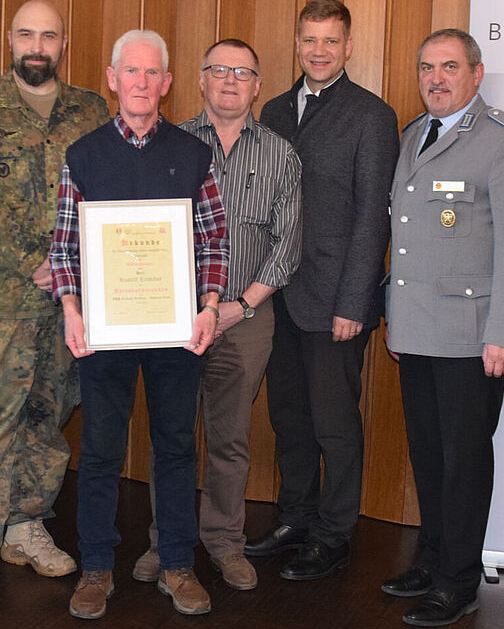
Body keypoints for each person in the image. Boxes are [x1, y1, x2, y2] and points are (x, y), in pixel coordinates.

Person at [50, 30, 228, 619]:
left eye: (153, 73)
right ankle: (96, 568)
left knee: (175, 448)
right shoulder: (83, 154)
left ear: (167, 83)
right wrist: (72, 311)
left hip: (177, 330)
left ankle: (177, 564)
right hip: (104, 330)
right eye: (132, 71)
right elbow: (64, 246)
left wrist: (208, 307)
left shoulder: (193, 155)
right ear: (112, 78)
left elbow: (214, 240)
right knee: (101, 450)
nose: (142, 82)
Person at [0, 0, 108, 613]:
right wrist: (35, 260)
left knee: (47, 417)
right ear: (9, 39)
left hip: (65, 303)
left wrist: (68, 268)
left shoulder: (91, 110)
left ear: (64, 43)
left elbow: (105, 194)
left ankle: (25, 524)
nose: (38, 46)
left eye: (49, 36)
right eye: (27, 34)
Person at [383, 28, 504, 627]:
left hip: (472, 338)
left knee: (465, 463)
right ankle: (433, 559)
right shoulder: (412, 136)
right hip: (417, 332)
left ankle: (458, 581)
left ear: (477, 74)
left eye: (449, 66)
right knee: (429, 456)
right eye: (427, 67)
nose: (436, 78)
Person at [132, 39, 302, 592]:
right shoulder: (167, 143)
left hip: (246, 319)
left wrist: (241, 305)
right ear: (200, 80)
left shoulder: (280, 154)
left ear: (258, 86)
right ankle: (166, 542)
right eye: (219, 70)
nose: (230, 81)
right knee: (171, 437)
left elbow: (288, 245)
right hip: (175, 320)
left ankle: (226, 543)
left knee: (230, 441)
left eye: (243, 73)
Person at [247, 0, 399, 580]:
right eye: (309, 39)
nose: (318, 51)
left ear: (348, 47)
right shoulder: (274, 110)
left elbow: (373, 217)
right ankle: (296, 518)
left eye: (330, 40)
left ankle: (333, 535)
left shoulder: (371, 115)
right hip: (276, 296)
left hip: (336, 300)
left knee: (334, 424)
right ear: (296, 43)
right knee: (289, 417)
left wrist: (354, 302)